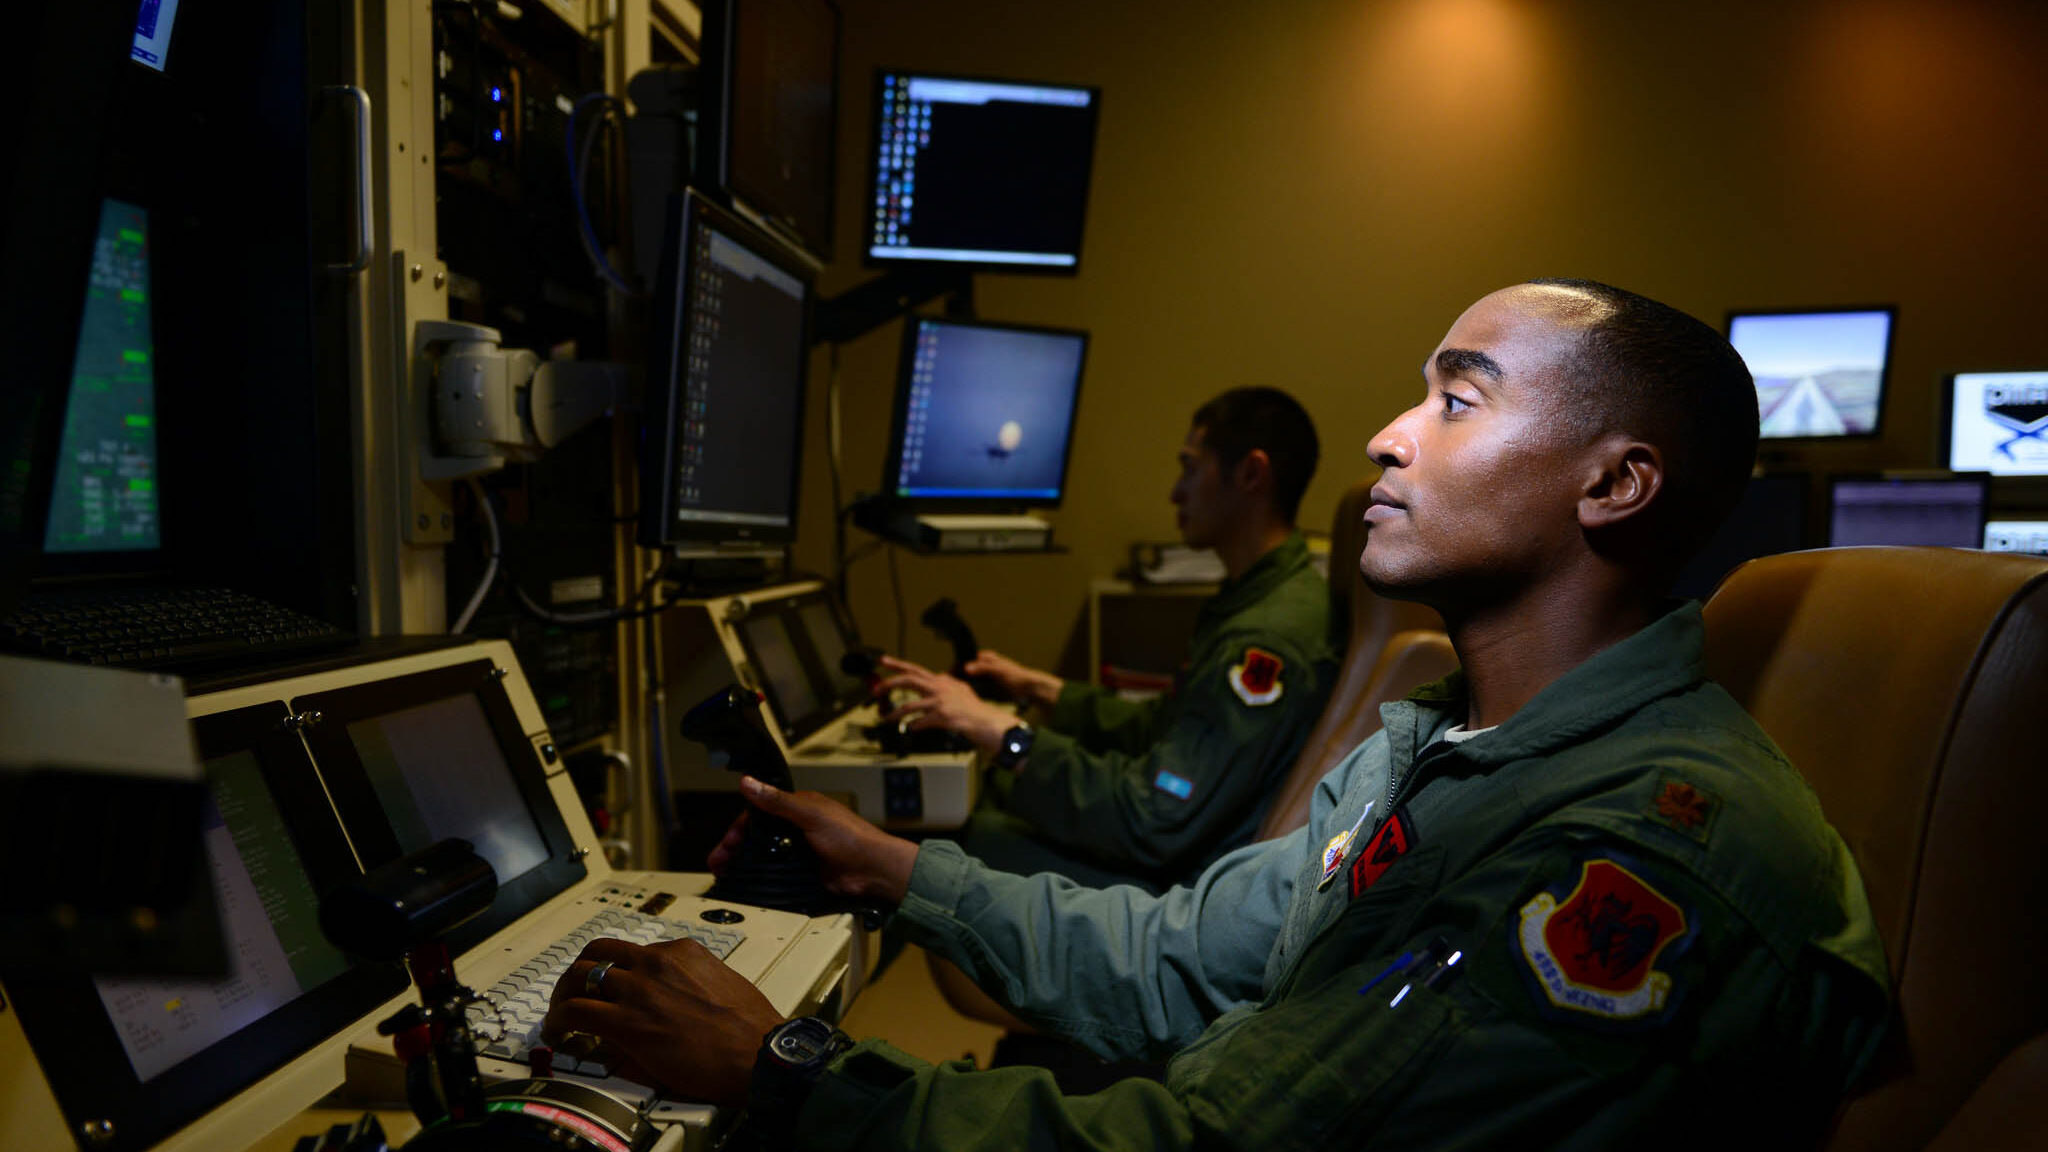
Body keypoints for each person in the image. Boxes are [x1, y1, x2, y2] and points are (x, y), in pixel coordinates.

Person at [542, 279, 1891, 1150]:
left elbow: (1213, 1148)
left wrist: (786, 1073)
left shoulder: (1630, 856)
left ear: (1614, 486)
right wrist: (897, 869)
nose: (1386, 435)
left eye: (1456, 398)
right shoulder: (1444, 745)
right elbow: (1186, 957)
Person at [875, 387, 1338, 892]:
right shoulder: (1262, 597)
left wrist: (1005, 736)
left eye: (1189, 468)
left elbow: (1155, 815)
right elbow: (1166, 729)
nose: (1175, 493)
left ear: (1250, 474)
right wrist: (1041, 690)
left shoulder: (1266, 640)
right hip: (1185, 848)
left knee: (964, 839)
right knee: (993, 799)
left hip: (1184, 894)